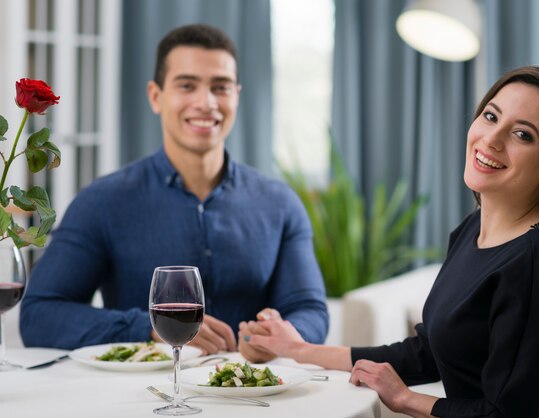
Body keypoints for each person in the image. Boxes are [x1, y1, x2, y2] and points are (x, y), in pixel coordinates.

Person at [241, 66, 539, 417]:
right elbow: (429, 352)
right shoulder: (471, 231)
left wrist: (404, 399)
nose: (492, 139)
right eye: (491, 116)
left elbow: (507, 413)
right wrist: (298, 349)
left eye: (522, 134)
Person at [19, 24, 328, 360]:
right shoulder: (102, 202)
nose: (206, 102)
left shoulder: (281, 205)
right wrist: (148, 328)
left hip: (253, 399)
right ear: (156, 96)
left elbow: (310, 311)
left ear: (236, 96)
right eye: (187, 85)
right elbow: (38, 315)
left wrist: (281, 335)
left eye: (220, 87)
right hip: (140, 402)